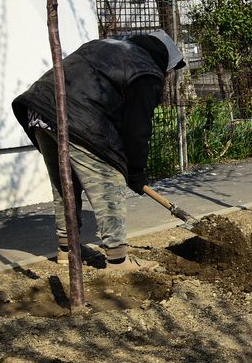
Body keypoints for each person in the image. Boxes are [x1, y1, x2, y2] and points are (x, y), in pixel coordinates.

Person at [13, 29, 186, 271]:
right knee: (109, 182)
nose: (167, 75)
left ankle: (67, 250)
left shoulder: (106, 47)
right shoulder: (146, 71)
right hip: (74, 117)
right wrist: (135, 173)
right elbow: (138, 128)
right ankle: (117, 261)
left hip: (39, 109)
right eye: (170, 70)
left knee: (66, 185)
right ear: (164, 59)